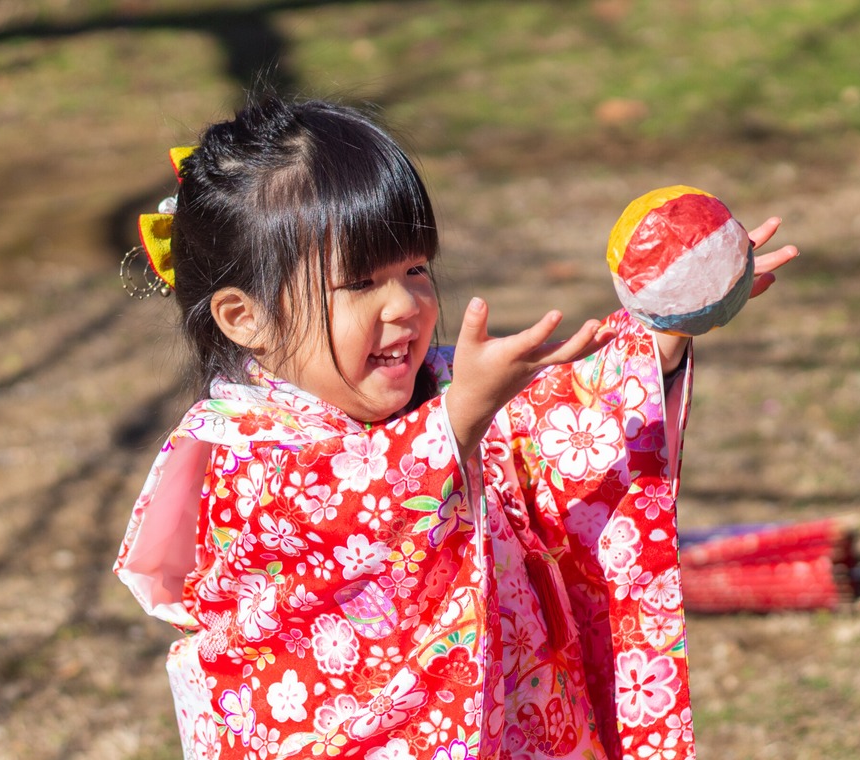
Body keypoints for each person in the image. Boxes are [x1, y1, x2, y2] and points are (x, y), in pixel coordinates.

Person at [113, 94, 797, 760]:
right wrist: (458, 419)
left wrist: (662, 327)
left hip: (520, 722)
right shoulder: (246, 454)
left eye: (414, 269)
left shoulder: (442, 390)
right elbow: (345, 513)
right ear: (245, 318)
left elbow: (561, 435)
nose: (405, 304)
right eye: (359, 284)